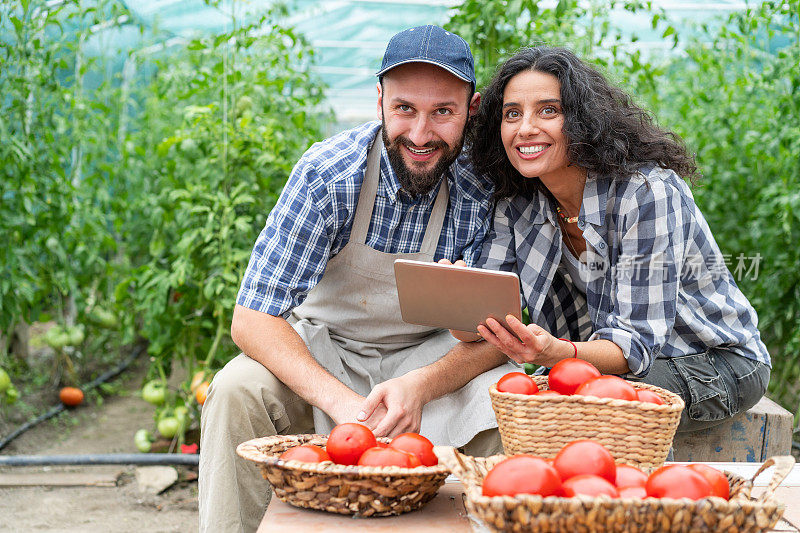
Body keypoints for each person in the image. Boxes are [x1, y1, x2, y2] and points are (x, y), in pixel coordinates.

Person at [199, 25, 517, 533]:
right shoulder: (329, 175)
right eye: (405, 109)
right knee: (237, 389)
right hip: (326, 351)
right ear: (380, 101)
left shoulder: (483, 188)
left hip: (431, 362)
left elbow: (502, 338)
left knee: (512, 398)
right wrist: (341, 402)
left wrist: (421, 386)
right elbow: (252, 319)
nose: (420, 134)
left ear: (472, 110)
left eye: (443, 112)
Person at [460, 46, 770, 434]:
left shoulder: (647, 193)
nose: (525, 128)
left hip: (714, 361)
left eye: (548, 110)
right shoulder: (518, 203)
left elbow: (634, 345)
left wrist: (556, 353)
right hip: (601, 361)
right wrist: (459, 298)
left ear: (583, 119)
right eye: (512, 114)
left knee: (605, 409)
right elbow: (484, 323)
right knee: (545, 407)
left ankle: (640, 496)